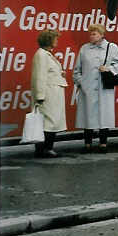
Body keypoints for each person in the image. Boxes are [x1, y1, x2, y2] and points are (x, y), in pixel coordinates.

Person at [73, 24, 118, 153]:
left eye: (94, 33)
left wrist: (109, 69)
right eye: (90, 34)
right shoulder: (84, 49)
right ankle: (87, 144)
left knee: (104, 116)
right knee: (87, 116)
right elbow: (76, 70)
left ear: (102, 35)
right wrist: (81, 82)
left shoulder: (111, 47)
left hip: (104, 87)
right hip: (88, 88)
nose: (91, 36)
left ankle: (103, 143)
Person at [30, 30, 68, 158]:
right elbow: (39, 76)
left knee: (50, 122)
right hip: (47, 95)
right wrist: (40, 96)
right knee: (47, 123)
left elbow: (48, 72)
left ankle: (47, 148)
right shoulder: (41, 55)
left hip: (52, 95)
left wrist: (59, 73)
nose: (57, 41)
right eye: (55, 39)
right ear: (49, 40)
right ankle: (45, 149)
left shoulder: (46, 54)